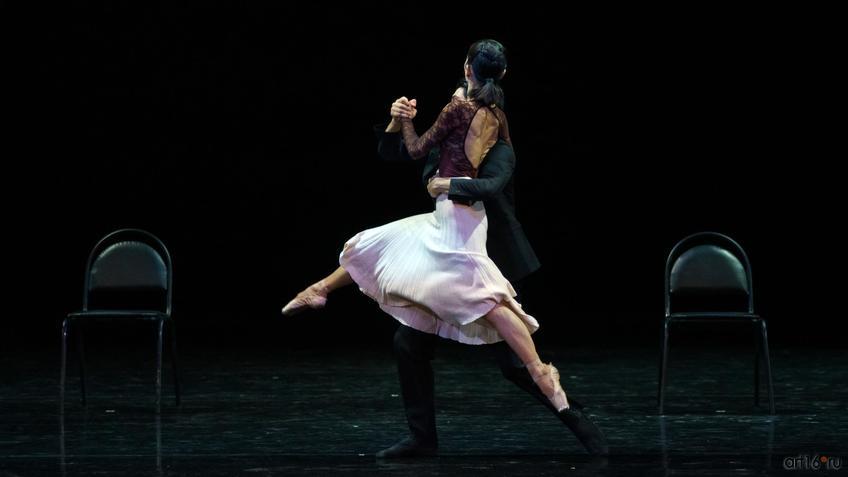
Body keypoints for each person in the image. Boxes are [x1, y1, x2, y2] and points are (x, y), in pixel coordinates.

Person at [282, 39, 608, 456]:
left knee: (514, 364)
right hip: (442, 250)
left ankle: (580, 425)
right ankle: (422, 438)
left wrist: (446, 184)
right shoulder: (455, 120)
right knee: (407, 336)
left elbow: (491, 184)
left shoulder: (497, 139)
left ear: (469, 68)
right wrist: (397, 121)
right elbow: (398, 153)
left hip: (482, 255)